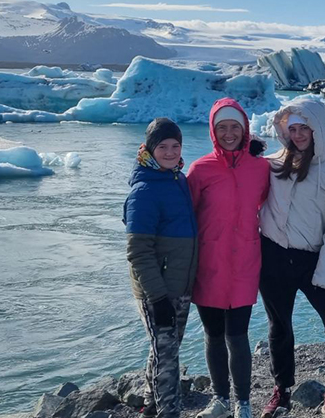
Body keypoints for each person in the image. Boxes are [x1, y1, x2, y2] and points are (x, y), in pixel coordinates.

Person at [257, 98, 325, 418]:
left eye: (304, 129)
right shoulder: (270, 165)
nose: (298, 135)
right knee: (279, 327)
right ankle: (281, 391)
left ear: (318, 130)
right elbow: (238, 181)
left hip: (312, 258)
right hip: (272, 255)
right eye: (293, 129)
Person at [187, 99, 270, 418]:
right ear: (213, 130)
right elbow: (188, 214)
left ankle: (243, 403)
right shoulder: (200, 169)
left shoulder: (260, 167)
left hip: (245, 263)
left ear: (245, 128)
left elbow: (266, 202)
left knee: (238, 335)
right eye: (222, 127)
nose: (229, 133)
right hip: (209, 264)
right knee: (213, 334)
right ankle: (220, 399)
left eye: (235, 126)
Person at [123, 117, 199, 418]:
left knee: (164, 349)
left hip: (178, 284)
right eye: (163, 146)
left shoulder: (177, 180)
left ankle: (149, 405)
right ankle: (169, 412)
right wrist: (157, 298)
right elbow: (138, 251)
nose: (170, 152)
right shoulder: (144, 191)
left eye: (175, 146)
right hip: (158, 291)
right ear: (149, 149)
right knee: (168, 357)